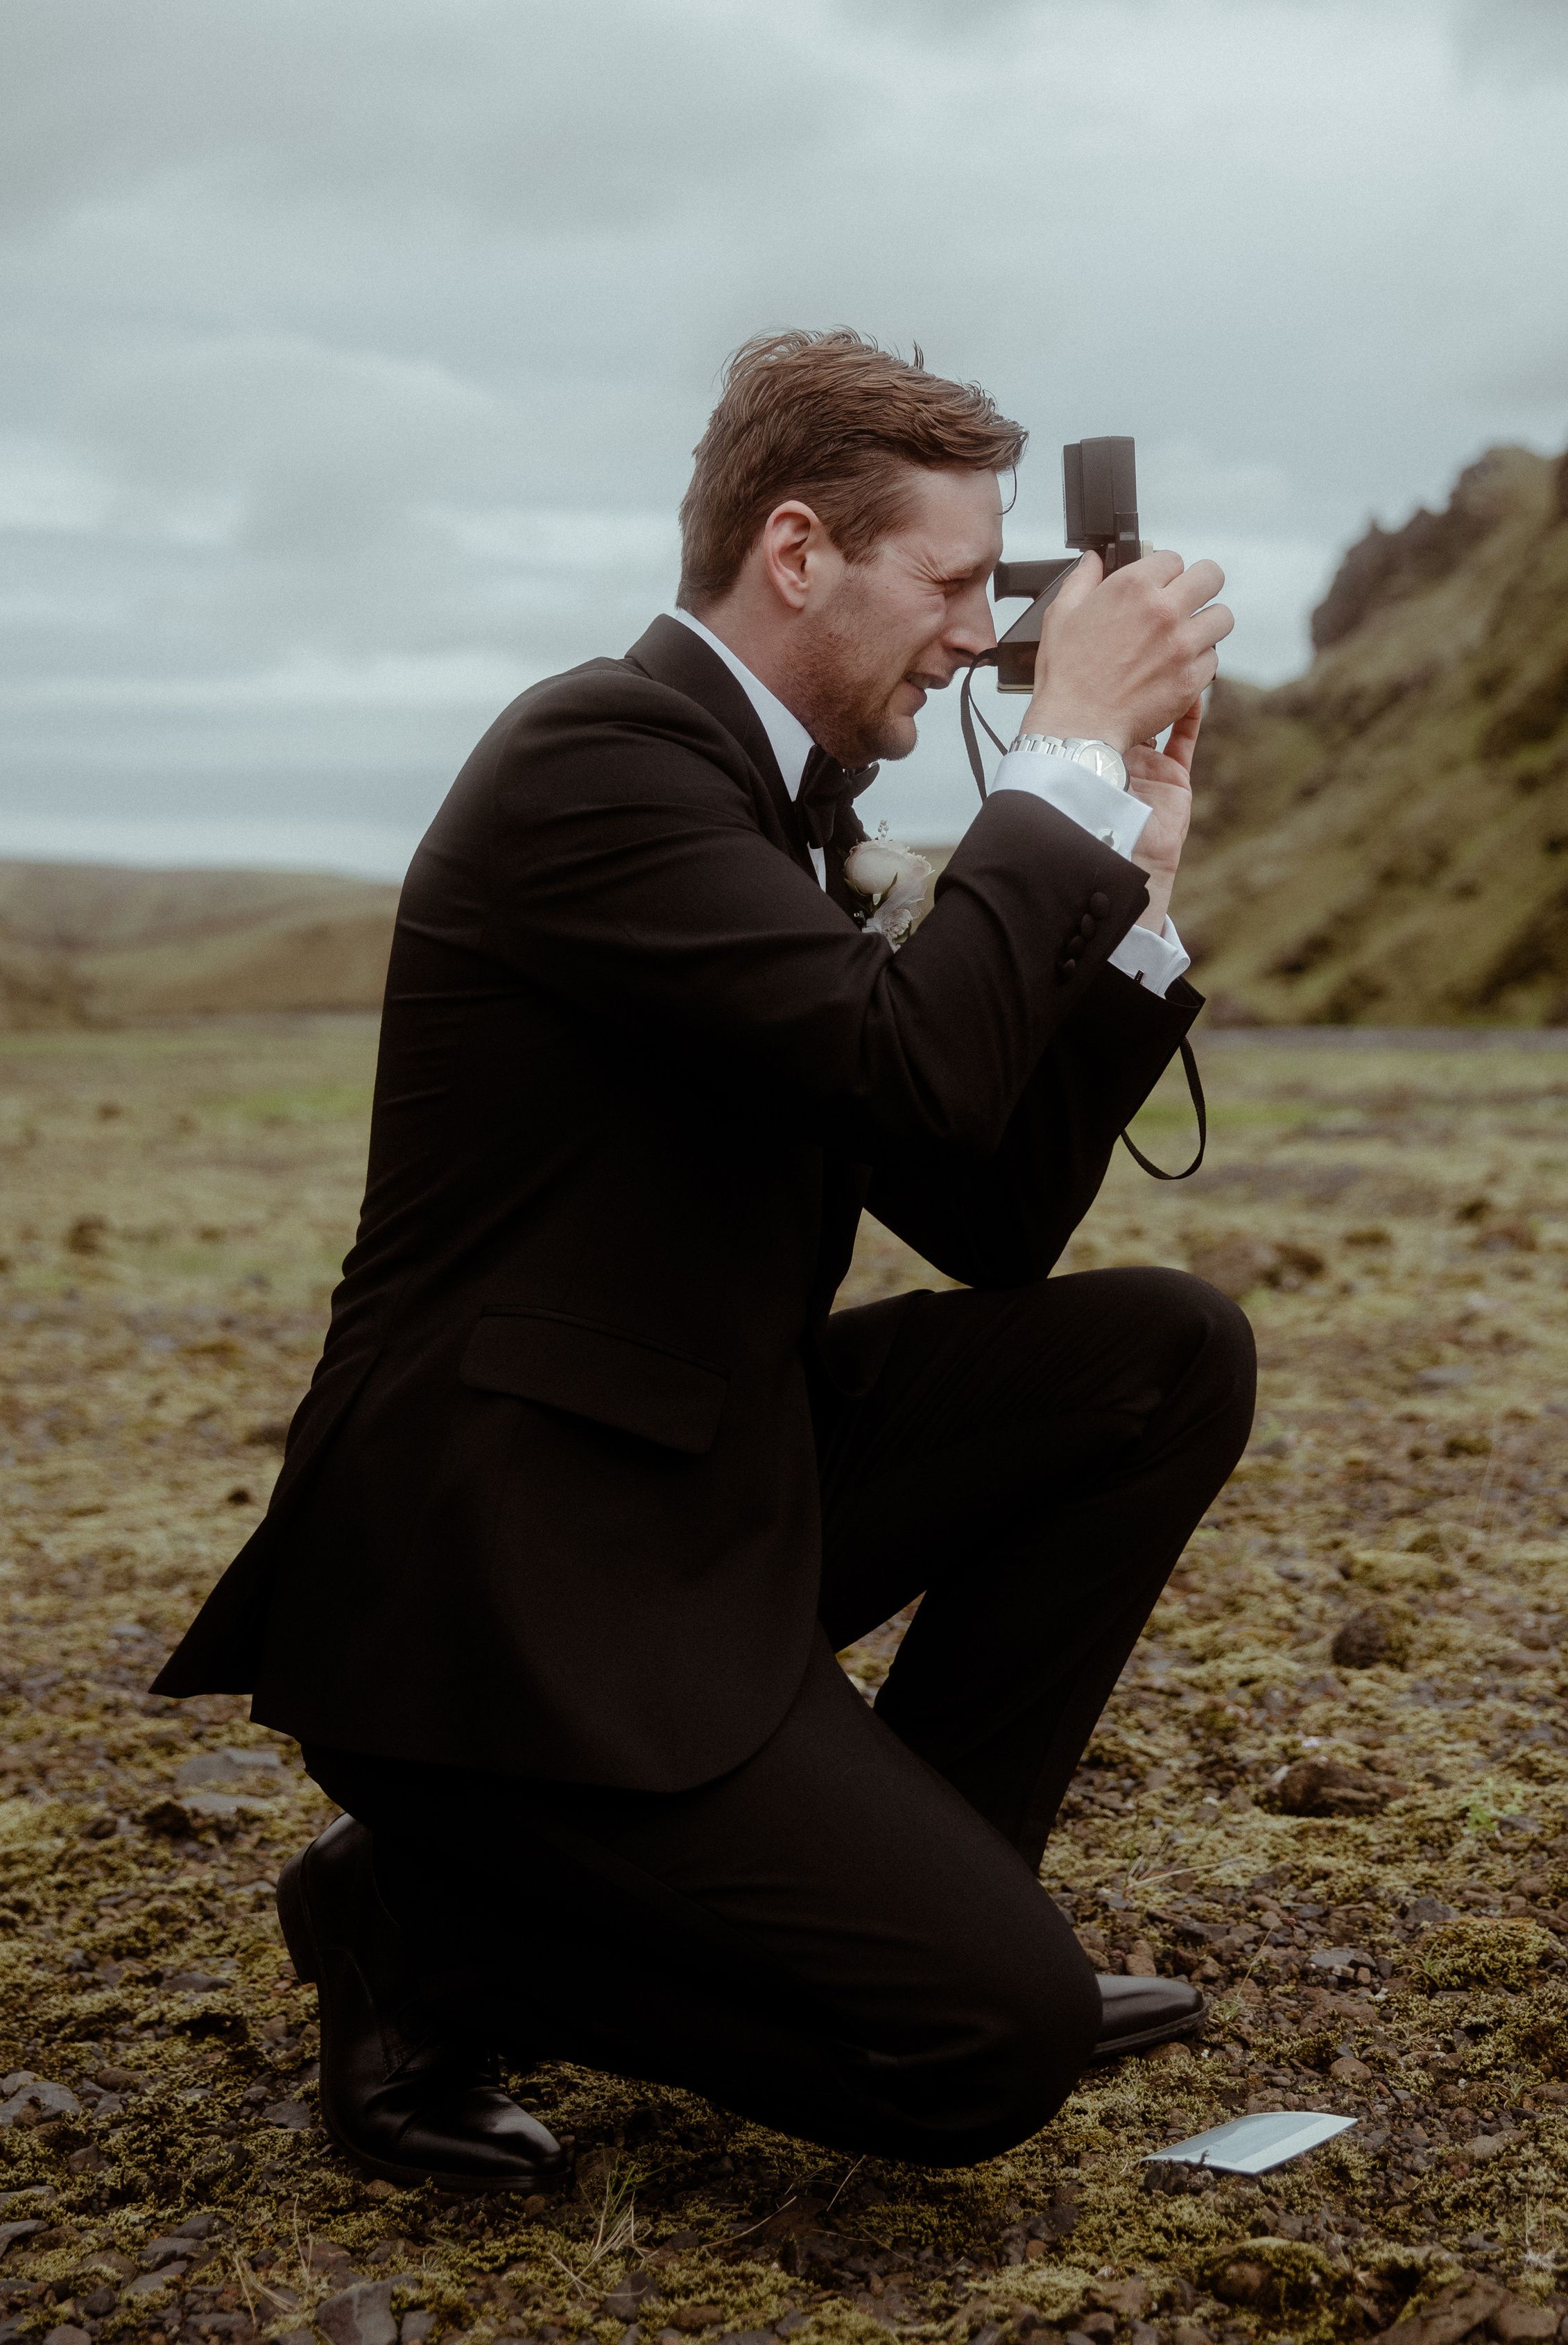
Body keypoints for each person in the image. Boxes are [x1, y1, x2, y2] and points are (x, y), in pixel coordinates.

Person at [155, 332, 1255, 2192]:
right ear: (800, 550)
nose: (983, 636)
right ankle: (419, 1925)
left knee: (1159, 1356)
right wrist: (1057, 755)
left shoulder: (782, 813)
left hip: (695, 1489)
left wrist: (1133, 887)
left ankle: (941, 1894)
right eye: (961, 584)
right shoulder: (599, 759)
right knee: (979, 2049)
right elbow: (902, 1068)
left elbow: (982, 1212)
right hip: (502, 1572)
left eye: (1010, 598)